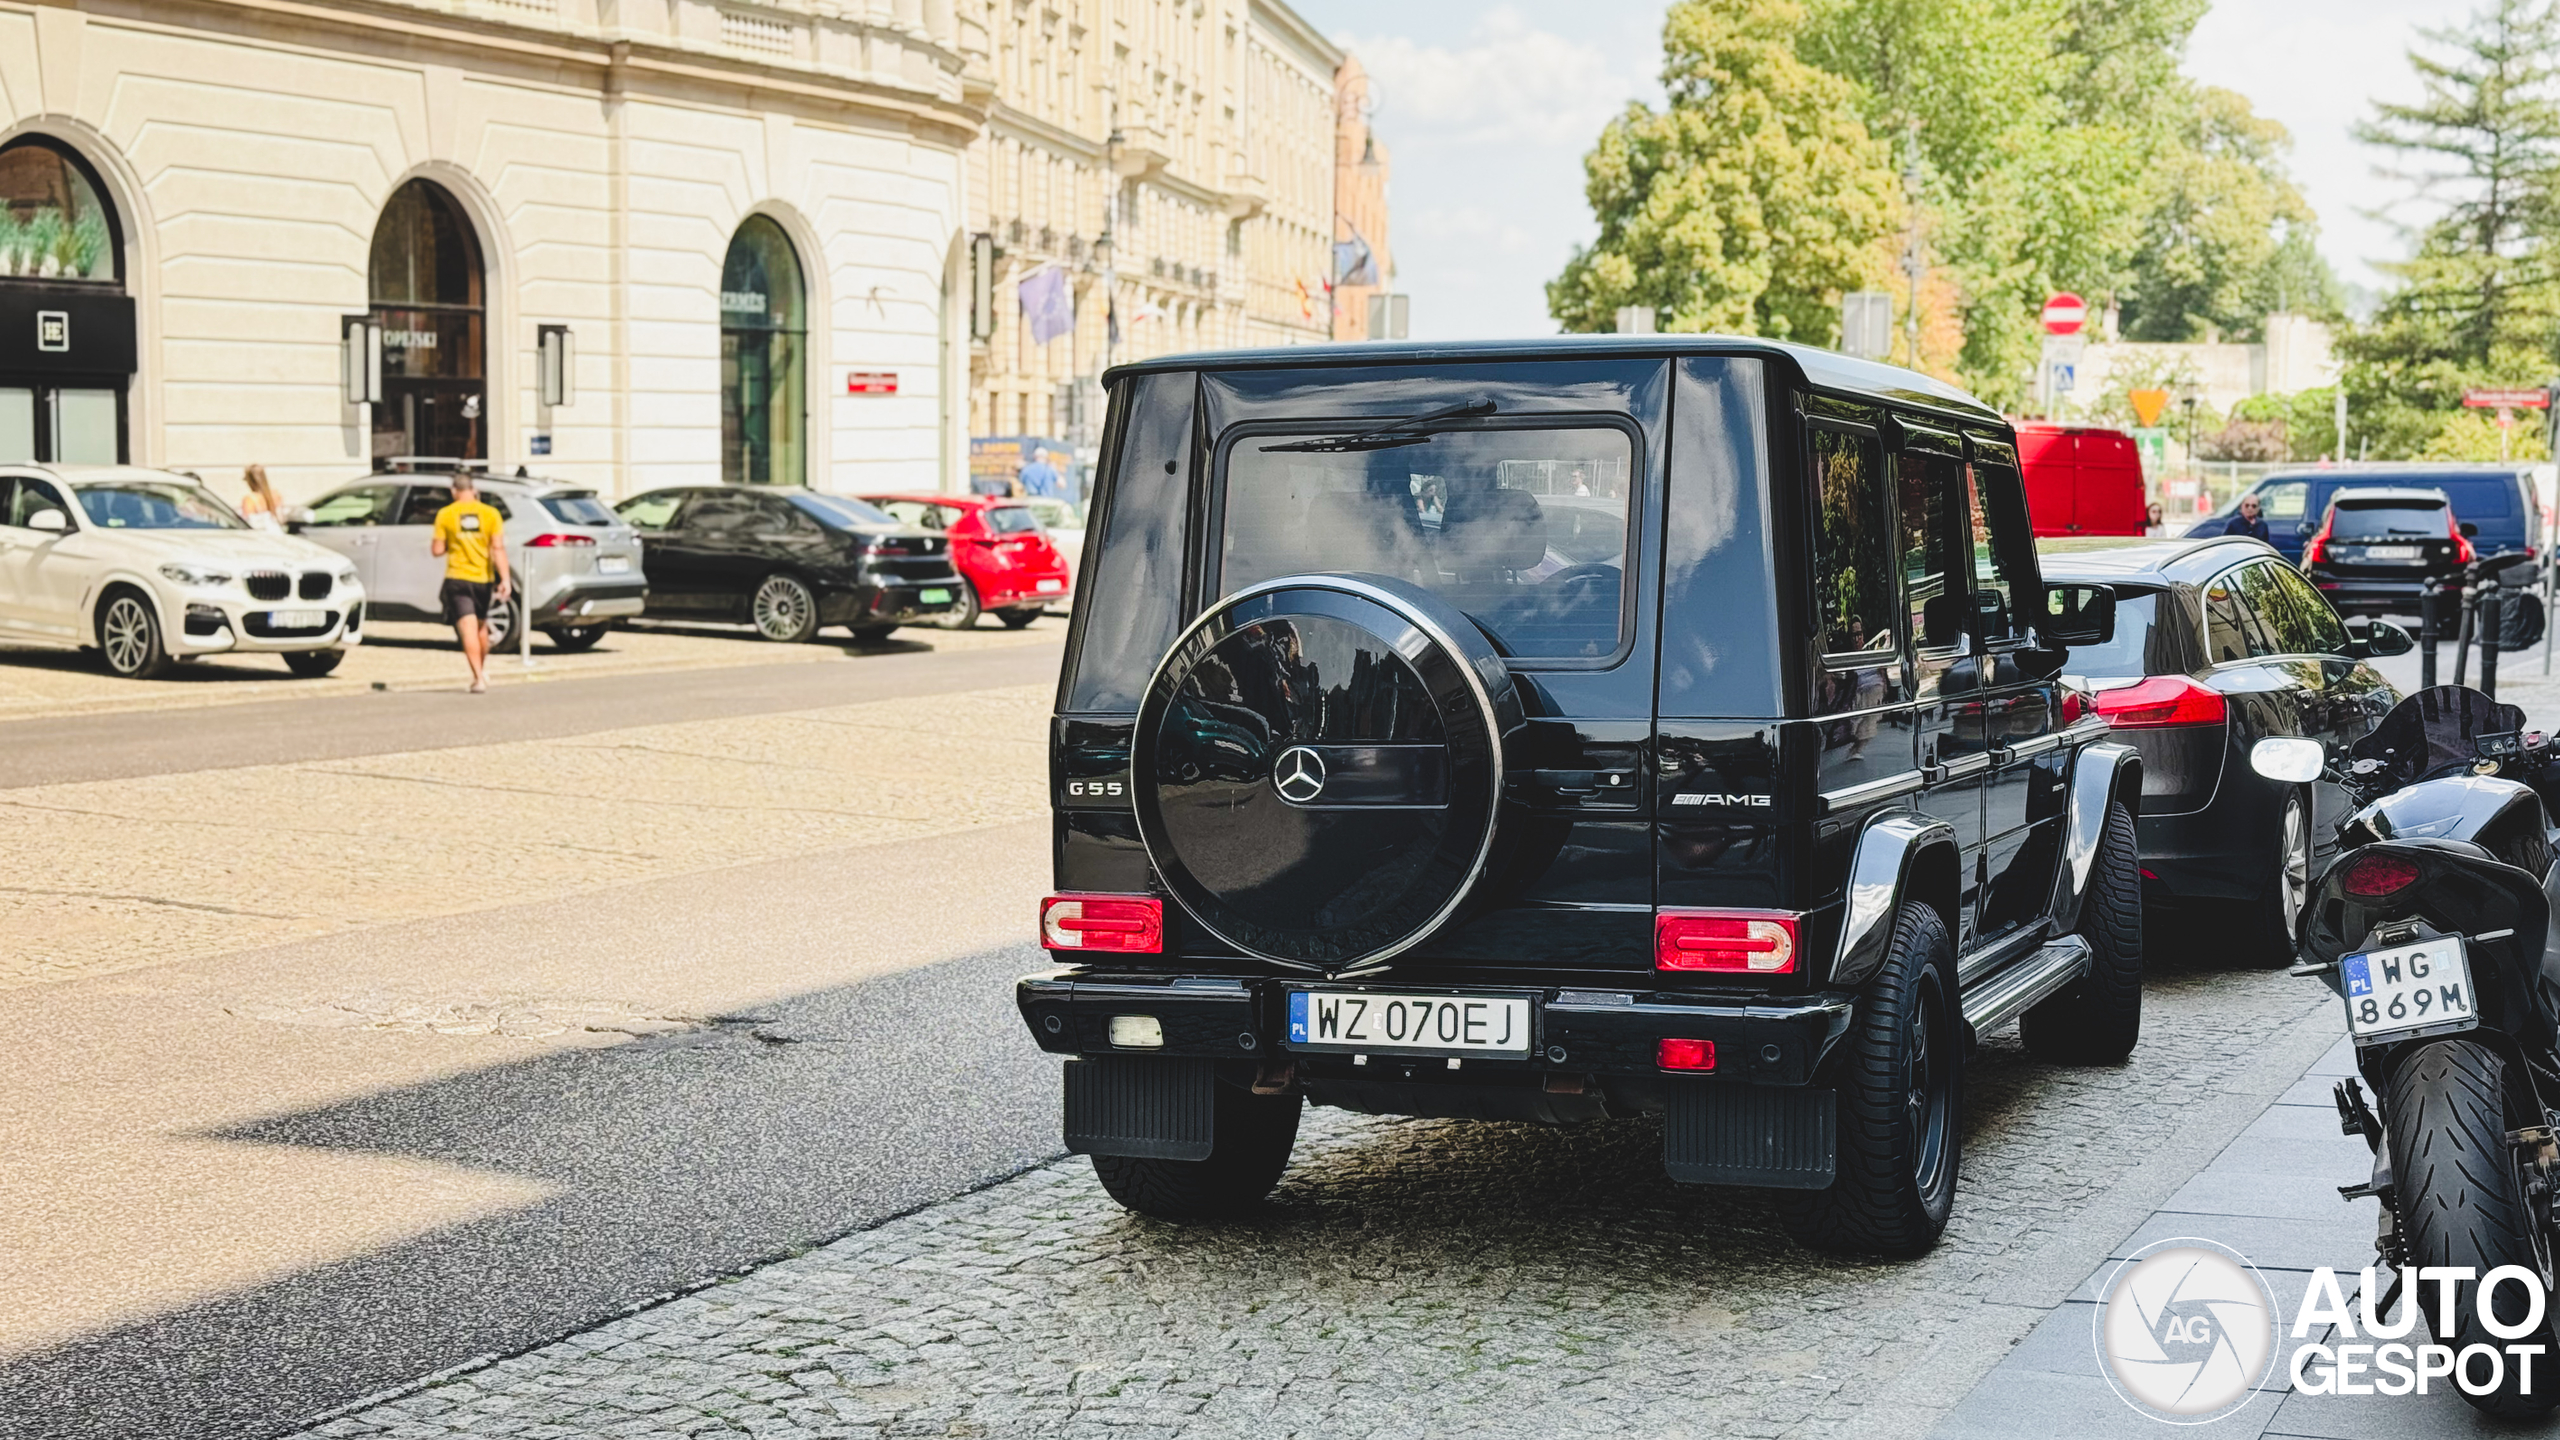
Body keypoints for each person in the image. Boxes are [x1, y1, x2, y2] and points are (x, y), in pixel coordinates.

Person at [430, 473, 513, 693]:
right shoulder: (491, 514)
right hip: (483, 580)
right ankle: (481, 669)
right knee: (481, 628)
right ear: (474, 490)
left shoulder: (445, 514)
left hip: (457, 577)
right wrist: (505, 579)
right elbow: (498, 548)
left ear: (453, 491)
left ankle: (478, 677)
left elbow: (437, 550)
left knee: (467, 628)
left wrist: (453, 542)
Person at [238, 464, 283, 532]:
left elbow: (246, 522)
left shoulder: (250, 499)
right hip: (277, 532)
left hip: (261, 536)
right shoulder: (275, 495)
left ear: (251, 481)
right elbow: (281, 518)